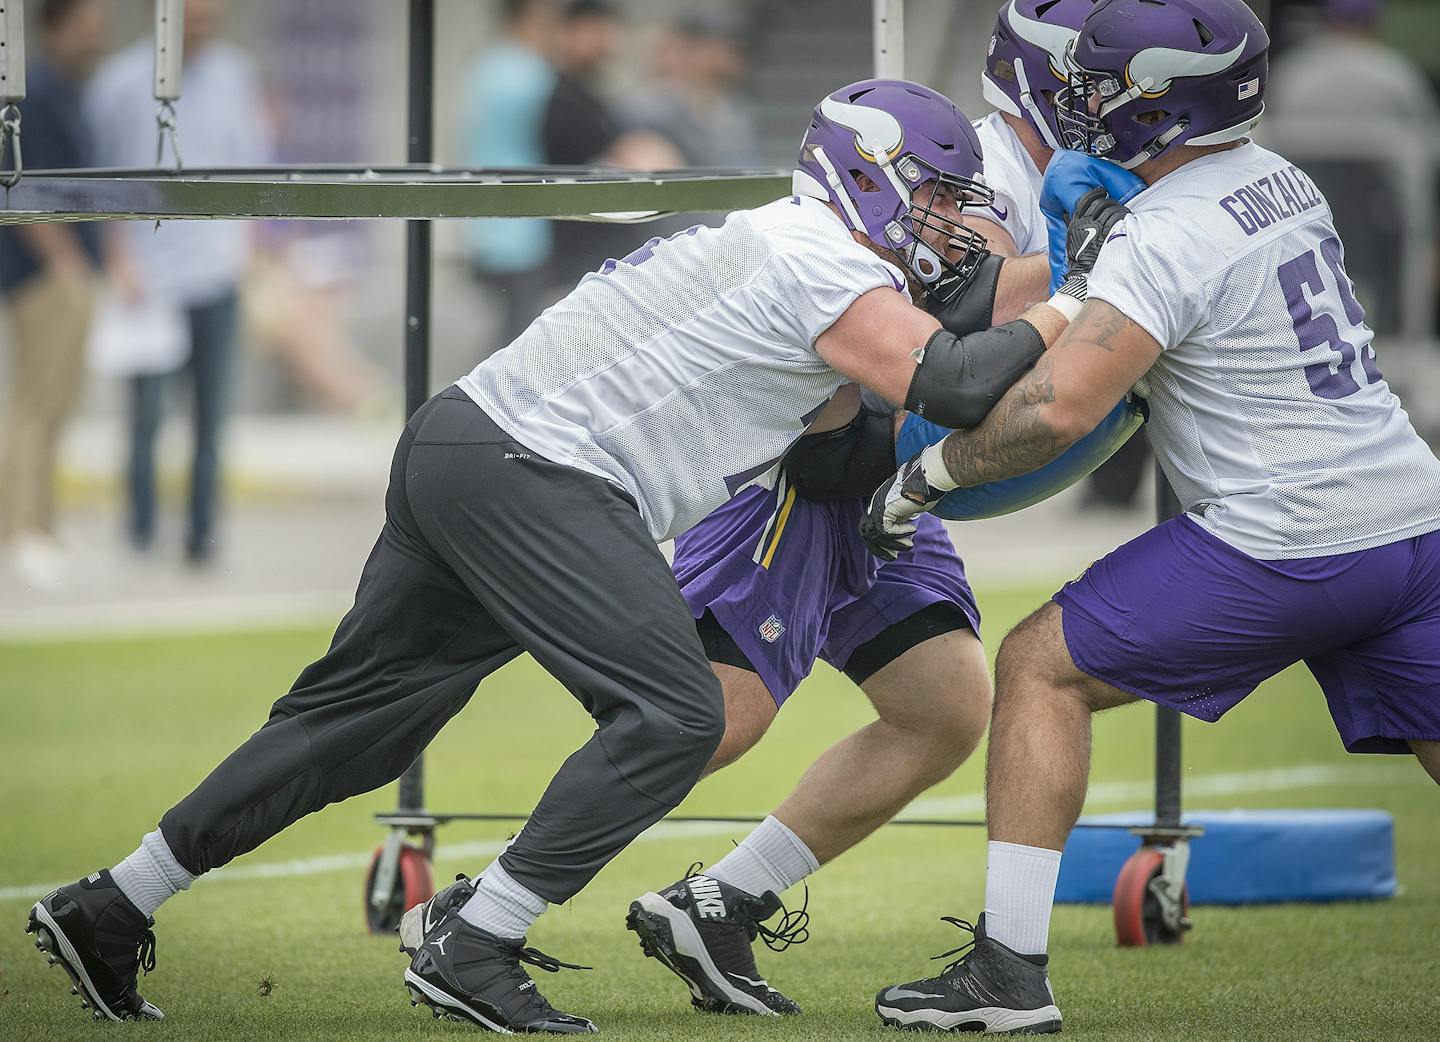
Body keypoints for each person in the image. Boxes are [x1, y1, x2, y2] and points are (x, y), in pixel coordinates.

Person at [26, 78, 1118, 1033]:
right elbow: (960, 380)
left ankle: (111, 903)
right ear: (871, 181)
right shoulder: (818, 261)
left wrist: (1038, 292)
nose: (953, 223)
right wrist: (1081, 290)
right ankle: (476, 941)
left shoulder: (796, 250)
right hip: (536, 471)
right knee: (678, 712)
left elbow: (848, 436)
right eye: (935, 195)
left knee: (348, 726)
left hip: (466, 442)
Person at [866, 0, 1440, 1033]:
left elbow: (1060, 407)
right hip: (1411, 518)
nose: (1080, 103)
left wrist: (925, 478)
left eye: (1099, 86)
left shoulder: (1167, 230)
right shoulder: (1281, 178)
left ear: (1160, 104)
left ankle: (1007, 974)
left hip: (1285, 536)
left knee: (1040, 666)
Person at [613, 1, 1095, 1017]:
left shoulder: (1061, 167)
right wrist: (1081, 275)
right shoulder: (991, 159)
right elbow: (958, 329)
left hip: (892, 467)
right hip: (816, 460)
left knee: (944, 708)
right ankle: (486, 911)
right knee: (709, 718)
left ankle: (722, 902)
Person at [85, 0, 271, 565]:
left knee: (211, 418)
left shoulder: (235, 75)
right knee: (146, 417)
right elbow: (99, 178)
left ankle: (201, 538)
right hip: (149, 275)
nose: (205, 32)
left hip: (215, 268)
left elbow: (252, 166)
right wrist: (117, 259)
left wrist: (249, 248)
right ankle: (140, 533)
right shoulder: (118, 82)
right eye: (194, 19)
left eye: (213, 20)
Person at [0, 0, 110, 590]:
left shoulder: (70, 89)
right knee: (35, 402)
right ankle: (21, 530)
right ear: (57, 25)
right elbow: (22, 182)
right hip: (46, 273)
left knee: (59, 403)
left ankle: (42, 523)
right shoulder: (34, 91)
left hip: (73, 268)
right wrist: (63, 262)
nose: (99, 33)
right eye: (89, 22)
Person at [541, 0, 682, 292]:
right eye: (595, 31)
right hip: (574, 256)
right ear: (568, 33)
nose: (605, 43)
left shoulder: (590, 96)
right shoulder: (561, 98)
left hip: (597, 254)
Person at [460, 0, 561, 348]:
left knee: (508, 326)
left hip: (487, 223)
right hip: (525, 226)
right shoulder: (532, 74)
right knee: (520, 335)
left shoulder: (485, 70)